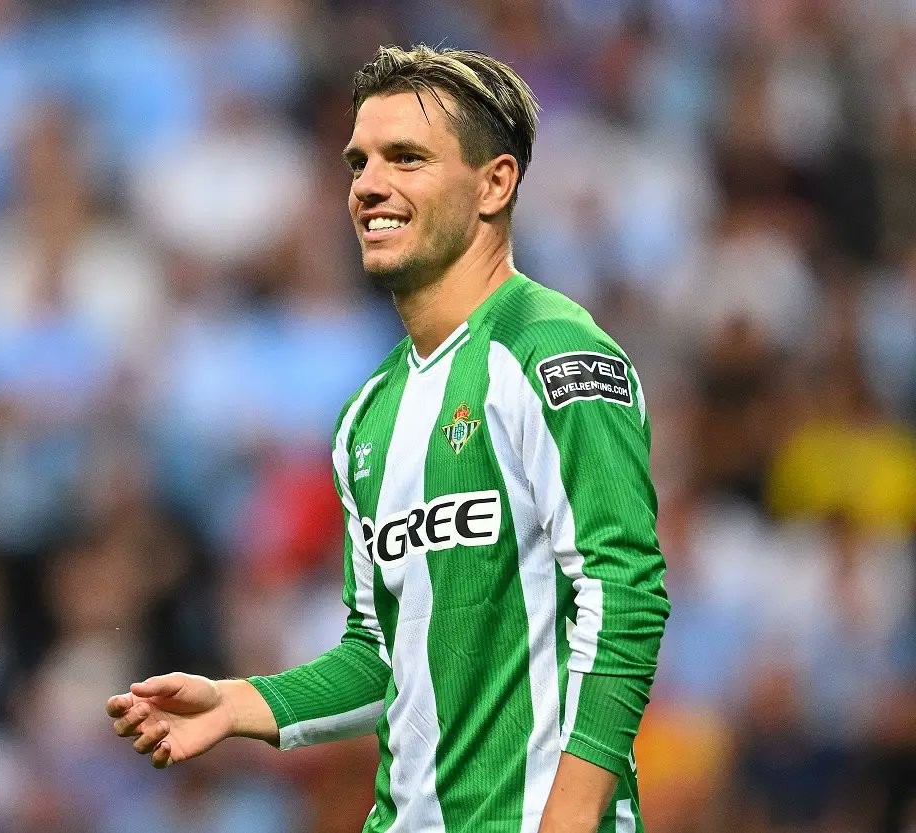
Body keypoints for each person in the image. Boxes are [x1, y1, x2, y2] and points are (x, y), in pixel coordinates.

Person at [107, 44, 670, 833]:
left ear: (494, 183)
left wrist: (568, 821)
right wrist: (238, 703)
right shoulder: (368, 412)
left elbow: (626, 596)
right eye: (359, 162)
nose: (369, 184)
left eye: (406, 158)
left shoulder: (550, 351)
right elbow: (380, 653)